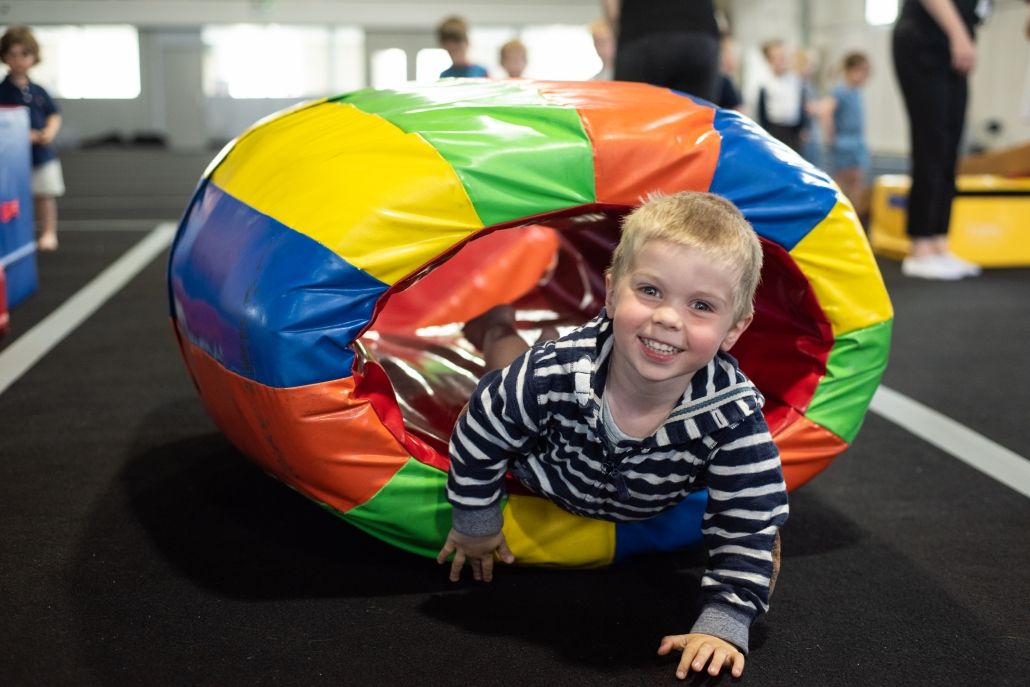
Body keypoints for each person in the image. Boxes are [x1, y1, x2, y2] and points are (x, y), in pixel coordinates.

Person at [437, 191, 789, 680]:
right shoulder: (553, 374)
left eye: (701, 305)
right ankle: (495, 328)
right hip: (547, 468)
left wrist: (725, 620)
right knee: (506, 373)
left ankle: (510, 335)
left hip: (650, 499)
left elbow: (750, 519)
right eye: (650, 291)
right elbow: (480, 431)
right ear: (610, 292)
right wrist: (476, 521)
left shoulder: (732, 416)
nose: (668, 317)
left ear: (734, 329)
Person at [892, 0, 989, 280]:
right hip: (924, 39)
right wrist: (959, 35)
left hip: (953, 44)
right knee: (931, 145)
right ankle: (920, 247)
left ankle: (939, 243)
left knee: (949, 149)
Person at [0, 26, 64, 251]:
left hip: (42, 155)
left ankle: (48, 232)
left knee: (45, 194)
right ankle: (19, 236)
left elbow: (54, 114)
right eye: (13, 54)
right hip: (13, 159)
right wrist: (23, 136)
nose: (19, 60)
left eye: (24, 54)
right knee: (14, 200)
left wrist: (49, 131)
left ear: (34, 57)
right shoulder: (3, 91)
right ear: (5, 57)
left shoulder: (38, 90)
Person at [603, 0, 721, 100]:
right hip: (699, 34)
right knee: (697, 121)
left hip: (642, 32)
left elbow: (613, 10)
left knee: (636, 120)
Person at [823, 52, 872, 222]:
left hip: (857, 143)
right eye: (862, 71)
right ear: (852, 70)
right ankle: (841, 220)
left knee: (857, 184)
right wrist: (831, 136)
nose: (865, 77)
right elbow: (827, 111)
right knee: (843, 186)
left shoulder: (856, 92)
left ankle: (853, 219)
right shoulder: (840, 90)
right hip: (845, 143)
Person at [757, 40, 808, 152]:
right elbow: (762, 112)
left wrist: (804, 126)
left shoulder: (796, 81)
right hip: (775, 129)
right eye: (778, 57)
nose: (783, 61)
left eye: (784, 57)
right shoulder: (766, 84)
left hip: (794, 131)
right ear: (770, 61)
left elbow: (801, 105)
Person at [715, 35, 746, 112]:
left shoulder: (727, 79)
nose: (735, 58)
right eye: (732, 54)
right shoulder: (725, 81)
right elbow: (740, 112)